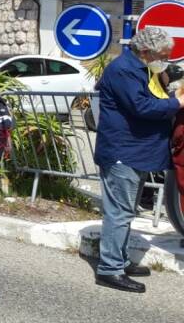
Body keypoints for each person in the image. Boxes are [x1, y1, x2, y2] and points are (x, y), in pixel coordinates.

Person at [91, 27, 184, 293]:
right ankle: (110, 269)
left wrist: (167, 84)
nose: (165, 60)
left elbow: (153, 97)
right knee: (119, 213)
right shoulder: (124, 70)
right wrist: (178, 104)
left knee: (126, 211)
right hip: (123, 152)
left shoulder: (143, 68)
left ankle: (118, 259)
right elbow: (142, 107)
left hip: (138, 152)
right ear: (146, 52)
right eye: (163, 55)